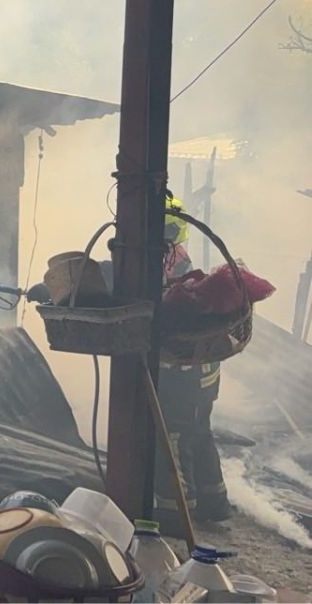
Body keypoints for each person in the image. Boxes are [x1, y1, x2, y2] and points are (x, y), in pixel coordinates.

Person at [155, 193, 231, 528]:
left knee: (170, 438)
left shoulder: (164, 265)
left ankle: (175, 513)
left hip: (182, 375)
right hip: (204, 374)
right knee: (199, 432)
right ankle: (214, 504)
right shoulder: (184, 263)